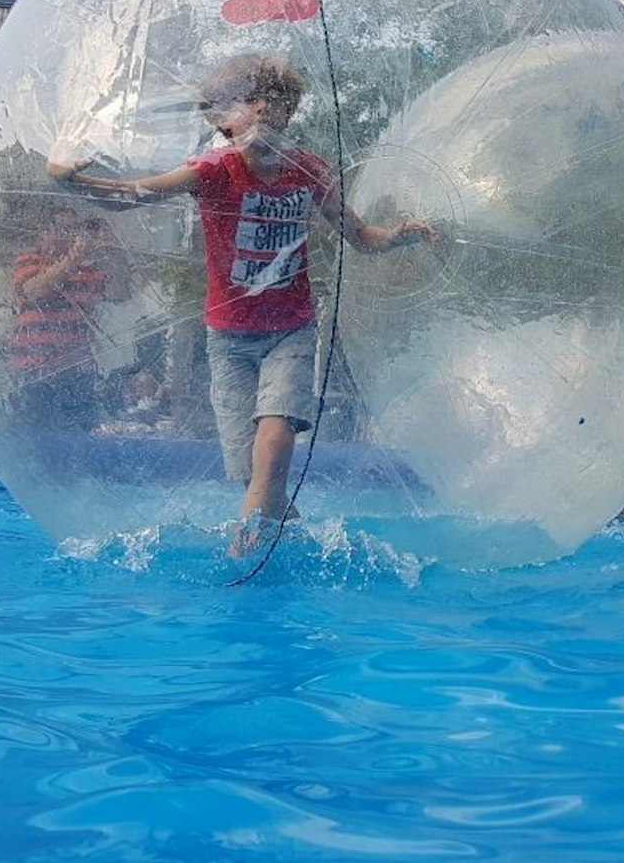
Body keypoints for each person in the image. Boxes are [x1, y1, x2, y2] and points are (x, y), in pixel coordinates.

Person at [56, 52, 438, 551]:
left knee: (275, 435)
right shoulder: (214, 169)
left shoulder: (309, 170)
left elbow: (359, 234)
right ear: (221, 119)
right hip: (229, 339)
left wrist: (398, 236)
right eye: (248, 100)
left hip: (292, 330)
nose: (261, 109)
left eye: (272, 100)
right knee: (253, 475)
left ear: (288, 111)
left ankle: (246, 546)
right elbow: (135, 194)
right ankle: (295, 543)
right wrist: (68, 179)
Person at [9, 207, 125, 435]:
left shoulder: (88, 271)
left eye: (73, 230)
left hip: (78, 372)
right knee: (37, 436)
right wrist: (76, 255)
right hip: (35, 373)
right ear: (44, 233)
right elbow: (36, 291)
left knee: (80, 438)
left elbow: (120, 292)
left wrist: (114, 248)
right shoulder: (28, 262)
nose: (70, 236)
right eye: (63, 229)